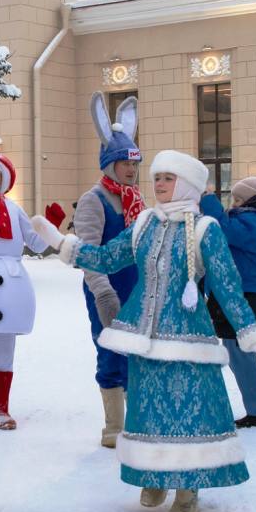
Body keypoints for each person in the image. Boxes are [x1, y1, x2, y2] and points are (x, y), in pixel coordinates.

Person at [31, 150, 256, 512]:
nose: (158, 184)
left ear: (187, 184)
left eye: (167, 178)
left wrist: (249, 331)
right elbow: (109, 257)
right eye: (157, 177)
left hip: (188, 338)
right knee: (149, 409)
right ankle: (155, 475)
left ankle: (187, 491)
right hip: (143, 335)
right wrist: (65, 245)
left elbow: (228, 286)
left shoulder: (206, 229)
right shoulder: (145, 223)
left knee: (187, 414)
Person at [0, 151, 64, 430]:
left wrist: (50, 223)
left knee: (5, 350)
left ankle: (0, 410)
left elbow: (37, 244)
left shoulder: (13, 209)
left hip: (9, 288)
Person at [75, 94, 144, 448]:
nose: (131, 170)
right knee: (110, 353)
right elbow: (87, 252)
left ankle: (138, 423)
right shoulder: (94, 199)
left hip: (137, 290)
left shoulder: (137, 199)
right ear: (109, 164)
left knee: (137, 354)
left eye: (135, 164)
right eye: (125, 164)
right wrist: (102, 291)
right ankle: (113, 428)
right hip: (107, 290)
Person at [200, 176, 256, 428]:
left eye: (236, 199)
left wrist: (207, 199)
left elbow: (223, 228)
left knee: (239, 350)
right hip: (246, 292)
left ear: (247, 201)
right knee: (239, 349)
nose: (232, 205)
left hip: (242, 293)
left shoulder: (251, 221)